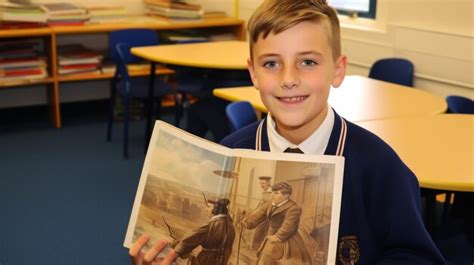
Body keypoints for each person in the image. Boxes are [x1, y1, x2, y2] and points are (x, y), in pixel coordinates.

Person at [130, 0, 446, 264]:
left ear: (338, 70)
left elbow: (418, 256)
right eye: (271, 64)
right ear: (253, 73)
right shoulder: (233, 150)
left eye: (307, 62)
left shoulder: (379, 165)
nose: (289, 78)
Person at [242, 182, 311, 264]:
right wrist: (247, 223)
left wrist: (278, 236)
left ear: (286, 195)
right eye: (272, 193)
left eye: (276, 193)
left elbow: (288, 226)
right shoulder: (269, 204)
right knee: (264, 260)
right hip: (271, 237)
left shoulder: (293, 208)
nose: (272, 196)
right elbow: (259, 215)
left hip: (287, 240)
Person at [250, 175, 272, 250]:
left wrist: (256, 213)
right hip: (264, 214)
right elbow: (260, 205)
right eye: (260, 183)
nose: (261, 185)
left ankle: (256, 249)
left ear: (268, 183)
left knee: (259, 231)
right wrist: (253, 212)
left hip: (268, 217)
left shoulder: (270, 193)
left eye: (263, 183)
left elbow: (264, 207)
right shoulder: (265, 192)